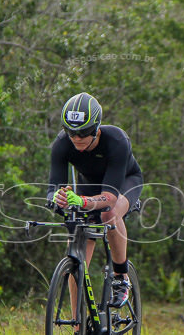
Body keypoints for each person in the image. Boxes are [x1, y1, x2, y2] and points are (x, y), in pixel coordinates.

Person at [48, 92, 143, 307]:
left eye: (83, 132)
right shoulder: (63, 144)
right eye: (71, 132)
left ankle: (121, 277)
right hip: (89, 185)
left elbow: (109, 197)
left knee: (108, 214)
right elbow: (53, 187)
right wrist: (58, 197)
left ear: (96, 128)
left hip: (126, 182)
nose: (77, 138)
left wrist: (82, 202)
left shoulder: (117, 140)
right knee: (76, 251)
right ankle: (78, 328)